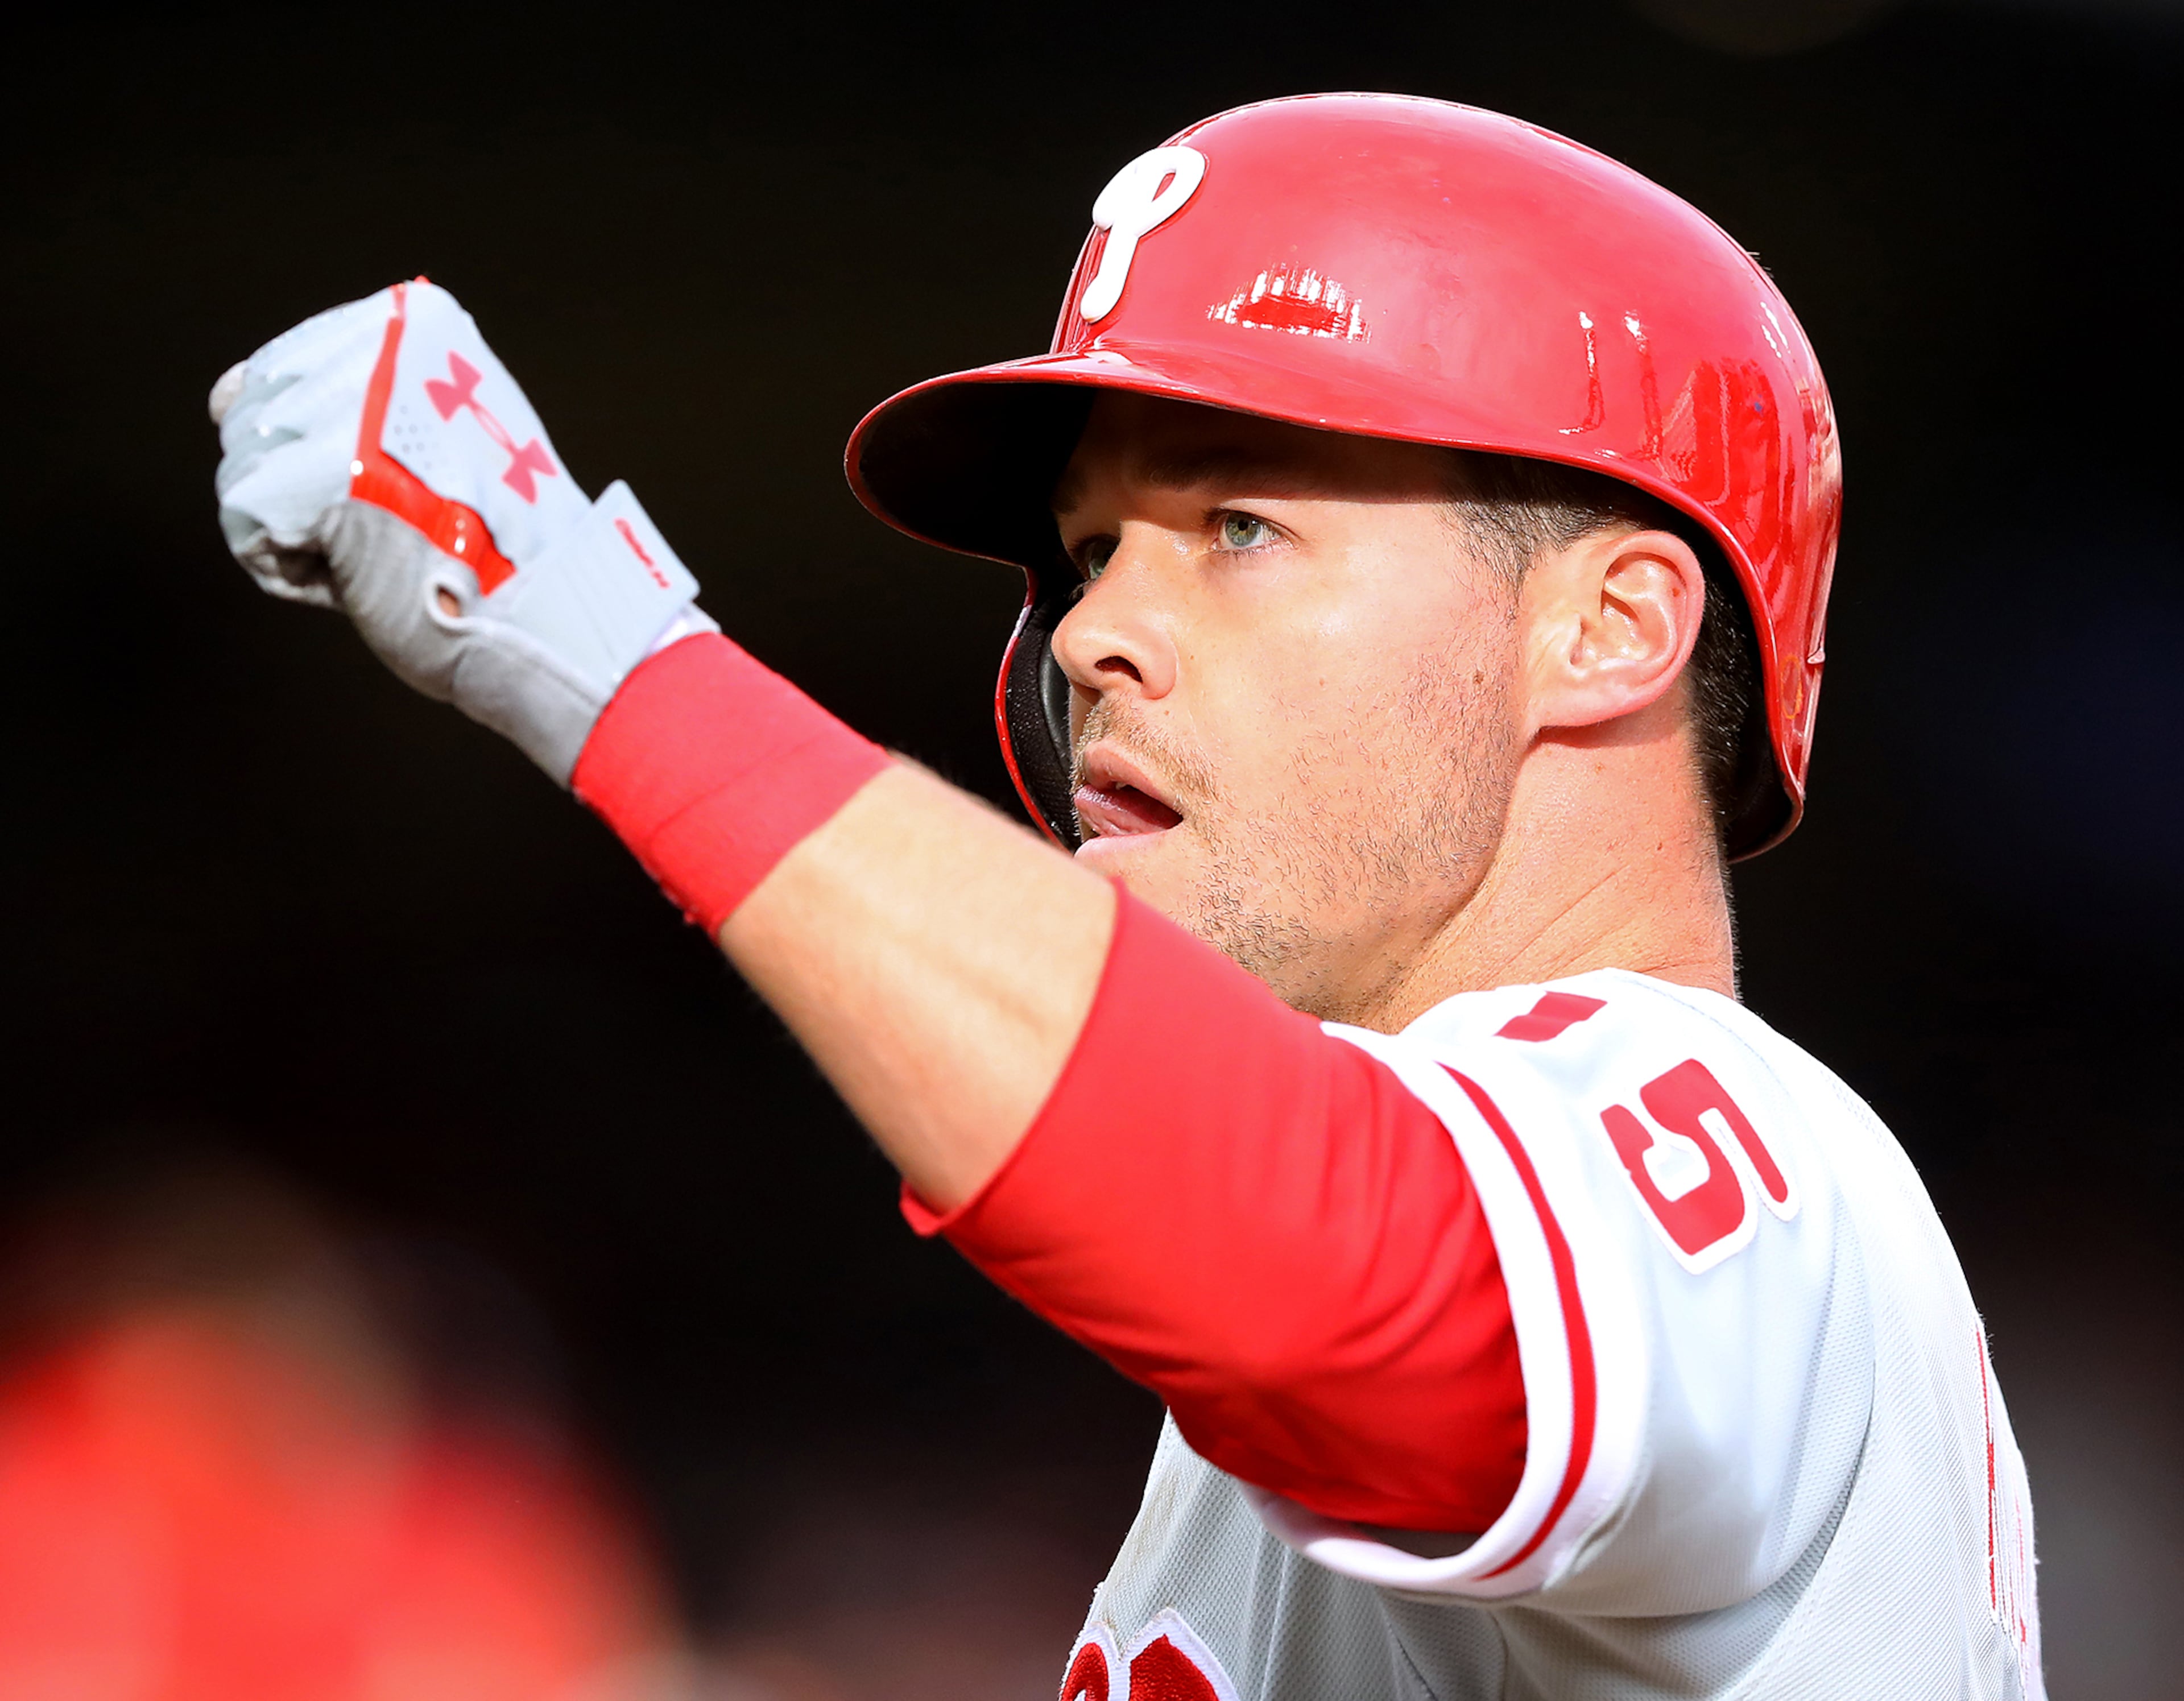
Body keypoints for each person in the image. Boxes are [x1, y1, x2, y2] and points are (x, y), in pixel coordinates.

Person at [207, 94, 2043, 1700]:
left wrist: (592, 640)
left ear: (1611, 627)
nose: (1092, 633)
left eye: (1240, 526)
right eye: (1092, 550)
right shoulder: (1295, 1368)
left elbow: (1351, 1294)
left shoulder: (1743, 1153)